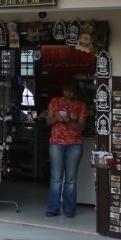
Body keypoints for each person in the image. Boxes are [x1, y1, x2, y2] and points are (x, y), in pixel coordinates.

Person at [45, 79, 87, 218]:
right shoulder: (55, 102)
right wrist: (56, 118)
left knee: (71, 178)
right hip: (56, 143)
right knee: (56, 177)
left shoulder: (81, 105)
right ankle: (53, 208)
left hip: (74, 144)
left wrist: (70, 121)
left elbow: (81, 127)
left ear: (75, 92)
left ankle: (69, 209)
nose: (68, 94)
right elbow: (48, 121)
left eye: (71, 91)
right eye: (66, 91)